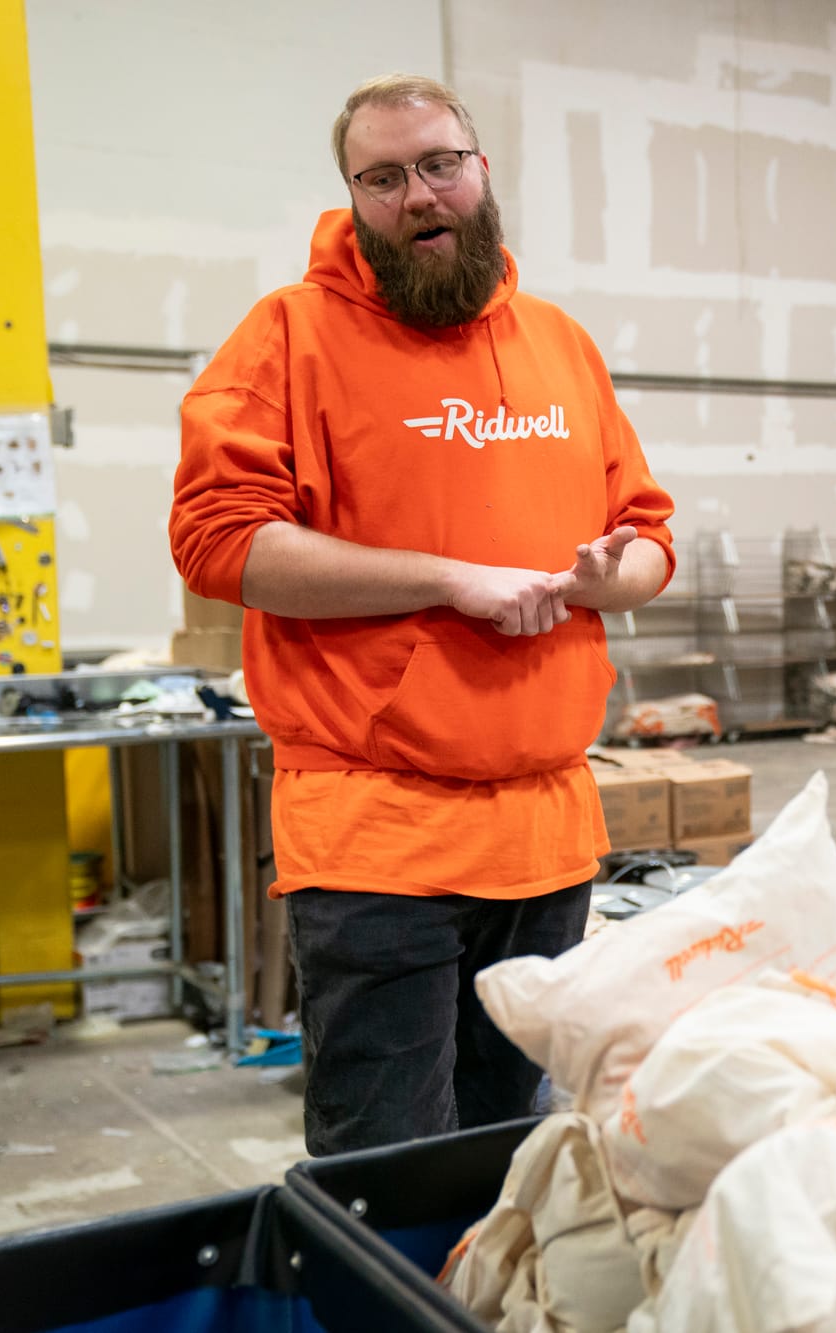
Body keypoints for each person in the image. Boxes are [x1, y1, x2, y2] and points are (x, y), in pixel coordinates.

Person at [170, 73, 674, 1155]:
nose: (419, 194)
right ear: (354, 198)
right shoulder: (288, 338)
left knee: (514, 1159)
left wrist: (603, 577)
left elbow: (649, 538)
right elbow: (220, 542)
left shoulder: (558, 343)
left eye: (440, 163)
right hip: (376, 834)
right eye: (384, 177)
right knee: (388, 1171)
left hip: (545, 837)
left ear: (480, 171)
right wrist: (449, 578)